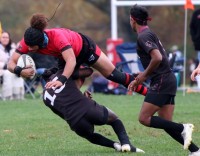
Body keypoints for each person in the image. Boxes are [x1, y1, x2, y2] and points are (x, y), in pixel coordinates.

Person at [7, 13, 147, 96]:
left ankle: (149, 93)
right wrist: (20, 71)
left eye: (32, 47)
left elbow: (71, 61)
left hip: (85, 48)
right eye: (28, 46)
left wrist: (60, 80)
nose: (29, 49)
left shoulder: (58, 37)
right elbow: (10, 63)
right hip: (65, 58)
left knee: (114, 76)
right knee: (59, 87)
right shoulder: (27, 41)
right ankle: (84, 74)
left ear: (40, 42)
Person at [128, 5, 200, 156]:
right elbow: (159, 59)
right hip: (168, 79)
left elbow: (158, 57)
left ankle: (183, 128)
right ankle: (196, 151)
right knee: (167, 123)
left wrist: (144, 76)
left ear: (132, 20)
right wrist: (144, 74)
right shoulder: (149, 33)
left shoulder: (143, 36)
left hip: (161, 81)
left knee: (144, 118)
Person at [40, 67, 145, 153]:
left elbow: (64, 109)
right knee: (114, 119)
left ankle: (115, 145)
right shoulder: (62, 74)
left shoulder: (44, 96)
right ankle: (126, 144)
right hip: (87, 108)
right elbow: (88, 71)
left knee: (90, 136)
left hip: (74, 121)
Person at [0, 31, 24, 100]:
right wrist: (5, 65)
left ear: (9, 39)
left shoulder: (13, 48)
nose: (5, 39)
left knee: (19, 73)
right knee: (8, 73)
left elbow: (16, 59)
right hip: (2, 70)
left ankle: (18, 96)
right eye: (3, 37)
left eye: (7, 37)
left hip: (12, 69)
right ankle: (7, 96)